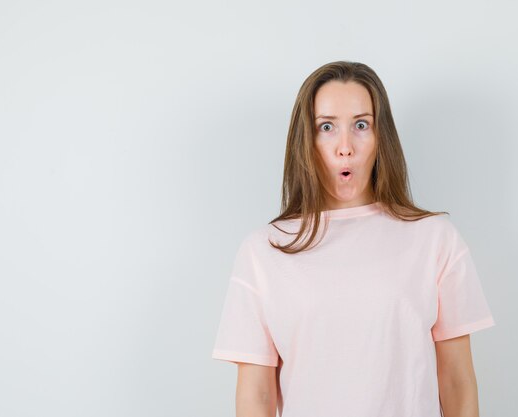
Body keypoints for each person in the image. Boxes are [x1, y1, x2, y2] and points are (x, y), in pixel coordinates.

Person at [211, 60, 496, 417]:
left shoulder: (436, 239)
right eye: (326, 127)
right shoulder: (264, 250)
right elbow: (257, 397)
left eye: (361, 125)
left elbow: (456, 381)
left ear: (381, 138)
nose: (345, 146)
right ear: (306, 140)